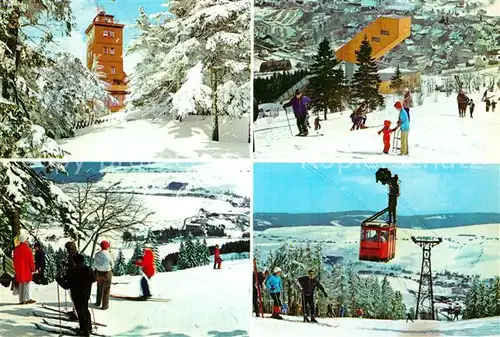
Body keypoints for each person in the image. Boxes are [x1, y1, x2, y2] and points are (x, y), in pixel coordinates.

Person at [56, 253, 96, 337]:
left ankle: (84, 331)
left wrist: (60, 280)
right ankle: (88, 327)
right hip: (86, 293)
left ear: (74, 261)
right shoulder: (88, 269)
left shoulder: (73, 270)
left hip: (76, 294)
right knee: (85, 309)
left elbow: (67, 286)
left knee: (80, 311)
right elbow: (93, 279)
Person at [13, 233, 36, 304]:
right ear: (24, 240)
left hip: (19, 270)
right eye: (26, 239)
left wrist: (16, 270)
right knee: (27, 284)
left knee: (21, 284)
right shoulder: (27, 249)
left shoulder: (16, 249)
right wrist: (33, 269)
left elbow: (14, 261)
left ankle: (21, 299)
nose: (27, 240)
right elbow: (31, 261)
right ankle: (27, 298)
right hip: (26, 270)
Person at [93, 240, 114, 310]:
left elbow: (94, 264)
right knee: (106, 290)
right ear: (107, 247)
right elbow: (112, 264)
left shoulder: (97, 254)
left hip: (98, 273)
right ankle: (105, 305)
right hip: (107, 273)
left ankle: (98, 302)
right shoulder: (109, 254)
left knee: (99, 288)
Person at [64, 241, 79, 320]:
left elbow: (72, 267)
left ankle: (76, 314)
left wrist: (67, 276)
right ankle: (75, 311)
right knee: (74, 296)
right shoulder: (75, 254)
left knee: (74, 297)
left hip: (73, 278)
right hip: (74, 277)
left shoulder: (72, 256)